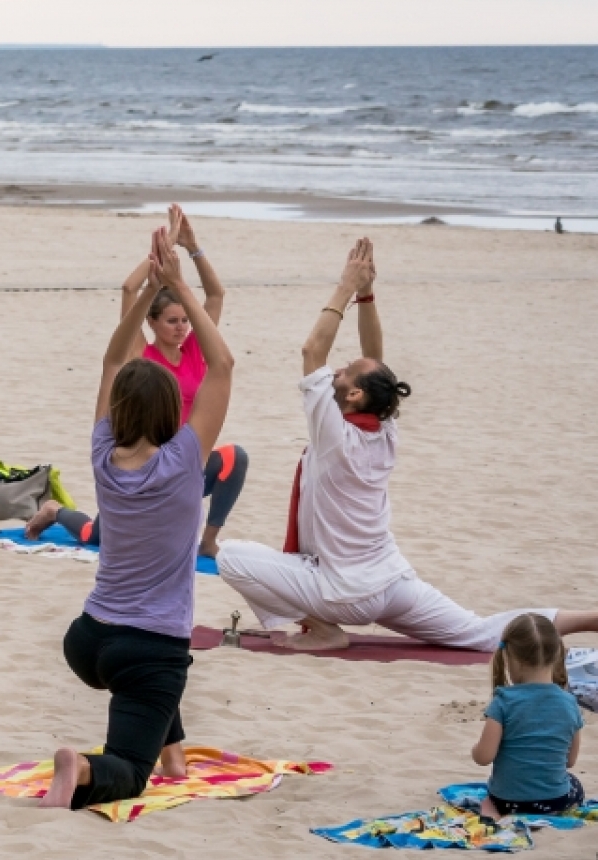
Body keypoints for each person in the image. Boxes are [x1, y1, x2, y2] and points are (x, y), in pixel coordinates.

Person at [215, 240, 598, 651]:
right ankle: (587, 619)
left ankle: (325, 631)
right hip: (391, 581)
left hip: (341, 591)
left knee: (231, 556)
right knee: (480, 631)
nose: (338, 369)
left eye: (344, 373)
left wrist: (345, 287)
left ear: (355, 396)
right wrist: (367, 295)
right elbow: (374, 363)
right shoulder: (383, 428)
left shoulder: (334, 437)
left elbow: (312, 351)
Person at [39, 225, 235, 810]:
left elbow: (110, 360)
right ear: (174, 409)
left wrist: (150, 292)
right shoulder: (182, 460)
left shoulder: (103, 452)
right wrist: (178, 281)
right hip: (147, 648)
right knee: (128, 767)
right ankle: (82, 770)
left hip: (87, 639)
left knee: (149, 685)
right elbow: (222, 363)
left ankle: (171, 749)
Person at [25, 205, 246, 558]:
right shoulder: (141, 352)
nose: (182, 327)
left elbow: (216, 296)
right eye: (172, 321)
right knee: (94, 535)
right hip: (144, 464)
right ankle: (55, 511)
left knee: (236, 458)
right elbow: (130, 289)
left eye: (186, 320)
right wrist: (164, 249)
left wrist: (194, 248)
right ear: (153, 322)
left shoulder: (194, 351)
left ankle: (207, 540)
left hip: (184, 460)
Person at [471, 613, 585, 819]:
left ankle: (490, 808)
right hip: (555, 800)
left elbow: (483, 757)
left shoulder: (504, 701)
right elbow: (570, 761)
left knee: (492, 793)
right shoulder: (569, 703)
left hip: (506, 802)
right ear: (557, 653)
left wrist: (475, 750)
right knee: (574, 784)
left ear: (511, 660)